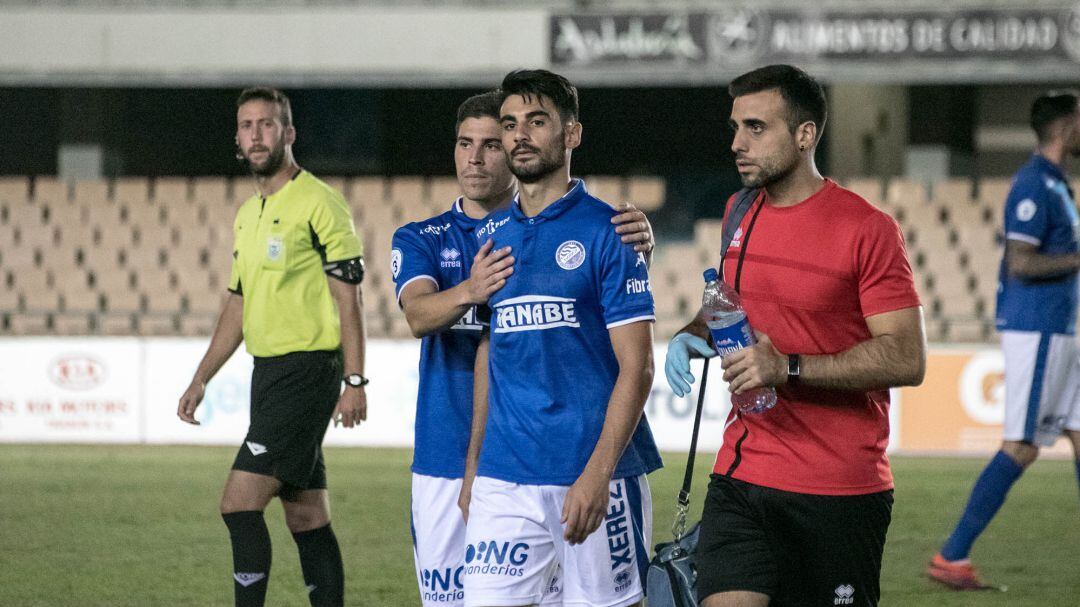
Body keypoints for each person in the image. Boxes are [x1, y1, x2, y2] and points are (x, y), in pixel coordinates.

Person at [664, 64, 926, 606]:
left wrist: (789, 368)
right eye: (736, 127)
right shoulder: (738, 211)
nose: (737, 143)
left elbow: (906, 357)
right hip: (742, 472)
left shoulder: (867, 229)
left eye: (756, 128)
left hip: (839, 488)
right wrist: (695, 332)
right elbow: (731, 309)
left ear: (805, 135)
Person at [392, 91, 656, 607]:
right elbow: (424, 318)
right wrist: (471, 289)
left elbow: (635, 358)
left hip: (577, 458)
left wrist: (636, 243)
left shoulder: (602, 229)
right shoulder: (436, 238)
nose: (477, 157)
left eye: (493, 142)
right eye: (466, 143)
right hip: (482, 460)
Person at [177, 87, 367, 607]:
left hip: (308, 371)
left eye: (267, 124)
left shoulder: (320, 202)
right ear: (238, 139)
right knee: (306, 515)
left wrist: (354, 381)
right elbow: (237, 304)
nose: (256, 134)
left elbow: (349, 300)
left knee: (238, 504)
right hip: (269, 374)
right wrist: (201, 377)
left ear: (289, 133)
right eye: (247, 125)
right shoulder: (248, 214)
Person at [928, 91, 1080, 590]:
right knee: (1021, 445)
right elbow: (1021, 262)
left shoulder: (1056, 183)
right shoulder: (1034, 183)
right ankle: (952, 556)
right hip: (1038, 330)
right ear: (1066, 126)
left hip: (1060, 330)